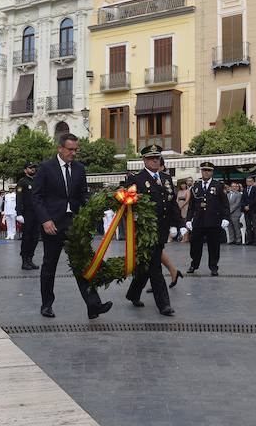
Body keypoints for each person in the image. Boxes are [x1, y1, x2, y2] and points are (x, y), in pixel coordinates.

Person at [32, 133, 111, 319]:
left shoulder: (80, 169)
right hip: (52, 225)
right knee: (49, 266)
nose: (74, 153)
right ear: (60, 148)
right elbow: (36, 197)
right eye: (70, 150)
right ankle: (46, 305)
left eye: (76, 150)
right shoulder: (45, 168)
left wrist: (98, 206)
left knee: (81, 265)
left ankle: (93, 305)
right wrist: (45, 220)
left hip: (74, 225)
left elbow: (83, 195)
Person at [123, 144, 177, 316]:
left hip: (162, 228)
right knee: (155, 267)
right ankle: (164, 305)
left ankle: (133, 293)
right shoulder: (136, 179)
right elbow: (126, 201)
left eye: (157, 158)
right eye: (151, 158)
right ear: (144, 160)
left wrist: (180, 225)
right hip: (145, 231)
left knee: (146, 266)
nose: (155, 160)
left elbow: (172, 203)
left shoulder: (166, 178)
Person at [186, 161, 229, 275]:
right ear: (201, 171)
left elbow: (224, 204)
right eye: (204, 170)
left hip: (213, 220)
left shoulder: (218, 185)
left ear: (212, 172)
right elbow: (191, 206)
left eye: (208, 170)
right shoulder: (195, 186)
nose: (206, 172)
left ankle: (213, 267)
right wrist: (189, 219)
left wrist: (225, 218)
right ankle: (194, 264)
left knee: (214, 245)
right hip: (199, 221)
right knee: (195, 244)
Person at [15, 162, 40, 270]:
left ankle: (30, 258)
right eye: (30, 168)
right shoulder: (22, 182)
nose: (33, 169)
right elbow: (19, 198)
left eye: (34, 167)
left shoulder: (37, 181)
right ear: (25, 170)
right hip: (27, 213)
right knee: (27, 237)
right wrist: (19, 213)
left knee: (35, 237)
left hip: (37, 212)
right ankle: (24, 260)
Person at [241, 176, 256, 245]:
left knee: (255, 226)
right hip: (246, 211)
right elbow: (243, 199)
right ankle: (249, 240)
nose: (249, 182)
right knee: (248, 226)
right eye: (247, 181)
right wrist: (244, 206)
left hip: (254, 210)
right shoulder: (244, 190)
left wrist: (249, 206)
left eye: (250, 181)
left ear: (253, 182)